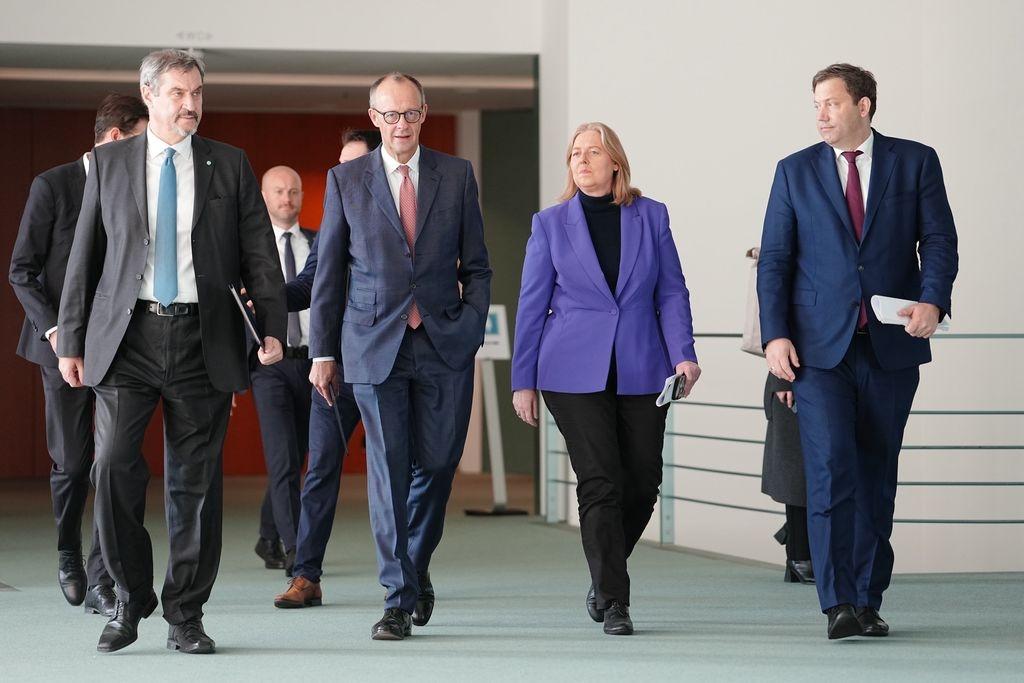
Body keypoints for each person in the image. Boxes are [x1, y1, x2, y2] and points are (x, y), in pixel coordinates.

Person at [56, 48, 287, 654]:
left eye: (198, 93)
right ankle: (129, 599)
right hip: (126, 337)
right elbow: (85, 257)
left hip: (200, 338)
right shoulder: (110, 163)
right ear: (150, 95)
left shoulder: (229, 164)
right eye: (179, 93)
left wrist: (272, 327)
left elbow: (259, 253)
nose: (191, 105)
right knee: (112, 467)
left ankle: (186, 612)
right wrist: (71, 338)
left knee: (196, 484)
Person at [758, 63, 958, 639]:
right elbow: (775, 260)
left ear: (863, 107)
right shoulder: (792, 172)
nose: (820, 113)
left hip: (892, 345)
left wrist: (933, 301)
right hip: (819, 352)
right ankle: (837, 602)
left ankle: (868, 598)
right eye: (815, 104)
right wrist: (776, 336)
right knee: (828, 470)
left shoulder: (915, 161)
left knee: (876, 474)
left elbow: (939, 239)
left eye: (831, 103)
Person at [308, 73, 490, 640]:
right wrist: (323, 351)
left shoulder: (455, 175)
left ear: (424, 114)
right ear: (375, 116)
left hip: (442, 345)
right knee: (387, 475)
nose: (401, 124)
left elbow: (477, 266)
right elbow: (329, 274)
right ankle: (396, 597)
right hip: (371, 345)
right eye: (390, 115)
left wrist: (470, 327)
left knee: (437, 466)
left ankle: (414, 564)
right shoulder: (346, 180)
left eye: (410, 114)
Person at [511, 122, 700, 636]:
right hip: (570, 372)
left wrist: (684, 354)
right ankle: (615, 599)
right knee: (600, 482)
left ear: (615, 161)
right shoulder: (550, 224)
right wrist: (521, 379)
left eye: (593, 152)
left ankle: (602, 573)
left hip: (644, 366)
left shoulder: (651, 215)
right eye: (576, 153)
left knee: (642, 482)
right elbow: (532, 305)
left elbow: (671, 292)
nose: (583, 160)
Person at [9, 93, 148, 618]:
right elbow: (21, 269)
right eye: (139, 140)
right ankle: (68, 551)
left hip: (120, 346)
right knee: (73, 462)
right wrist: (54, 332)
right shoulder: (53, 184)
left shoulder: (137, 189)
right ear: (115, 138)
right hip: (58, 345)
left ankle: (100, 577)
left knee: (114, 464)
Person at [272, 131, 377, 609]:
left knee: (398, 474)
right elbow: (310, 284)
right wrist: (263, 299)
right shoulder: (333, 218)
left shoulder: (407, 220)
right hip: (332, 370)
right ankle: (306, 575)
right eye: (339, 167)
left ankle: (409, 576)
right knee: (319, 471)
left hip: (390, 368)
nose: (341, 177)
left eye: (352, 166)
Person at [251, 166, 316, 576]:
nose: (287, 198)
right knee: (282, 458)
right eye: (278, 191)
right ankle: (296, 550)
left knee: (298, 457)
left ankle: (266, 534)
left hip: (313, 363)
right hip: (268, 365)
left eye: (294, 191)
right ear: (264, 196)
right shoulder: (251, 249)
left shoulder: (319, 242)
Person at [761, 373, 814, 585]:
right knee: (797, 472)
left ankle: (794, 537)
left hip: (833, 375)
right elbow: (773, 339)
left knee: (828, 471)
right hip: (791, 375)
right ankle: (799, 556)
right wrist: (781, 380)